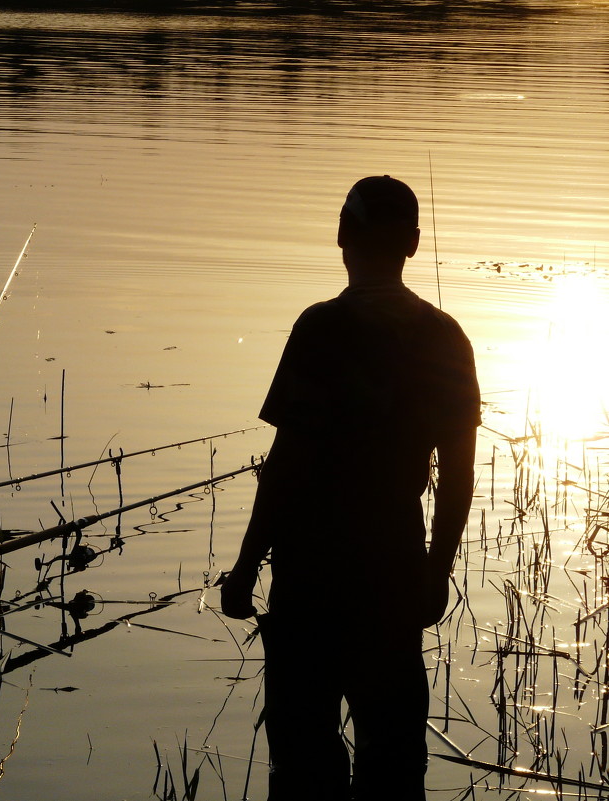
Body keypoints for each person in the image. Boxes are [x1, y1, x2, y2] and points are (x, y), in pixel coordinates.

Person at [220, 176, 480, 801]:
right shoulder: (447, 337)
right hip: (394, 563)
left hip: (312, 570)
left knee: (305, 759)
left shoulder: (320, 329)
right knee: (393, 764)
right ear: (414, 244)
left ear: (342, 237)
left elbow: (286, 466)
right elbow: (459, 476)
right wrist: (436, 570)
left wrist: (246, 566)